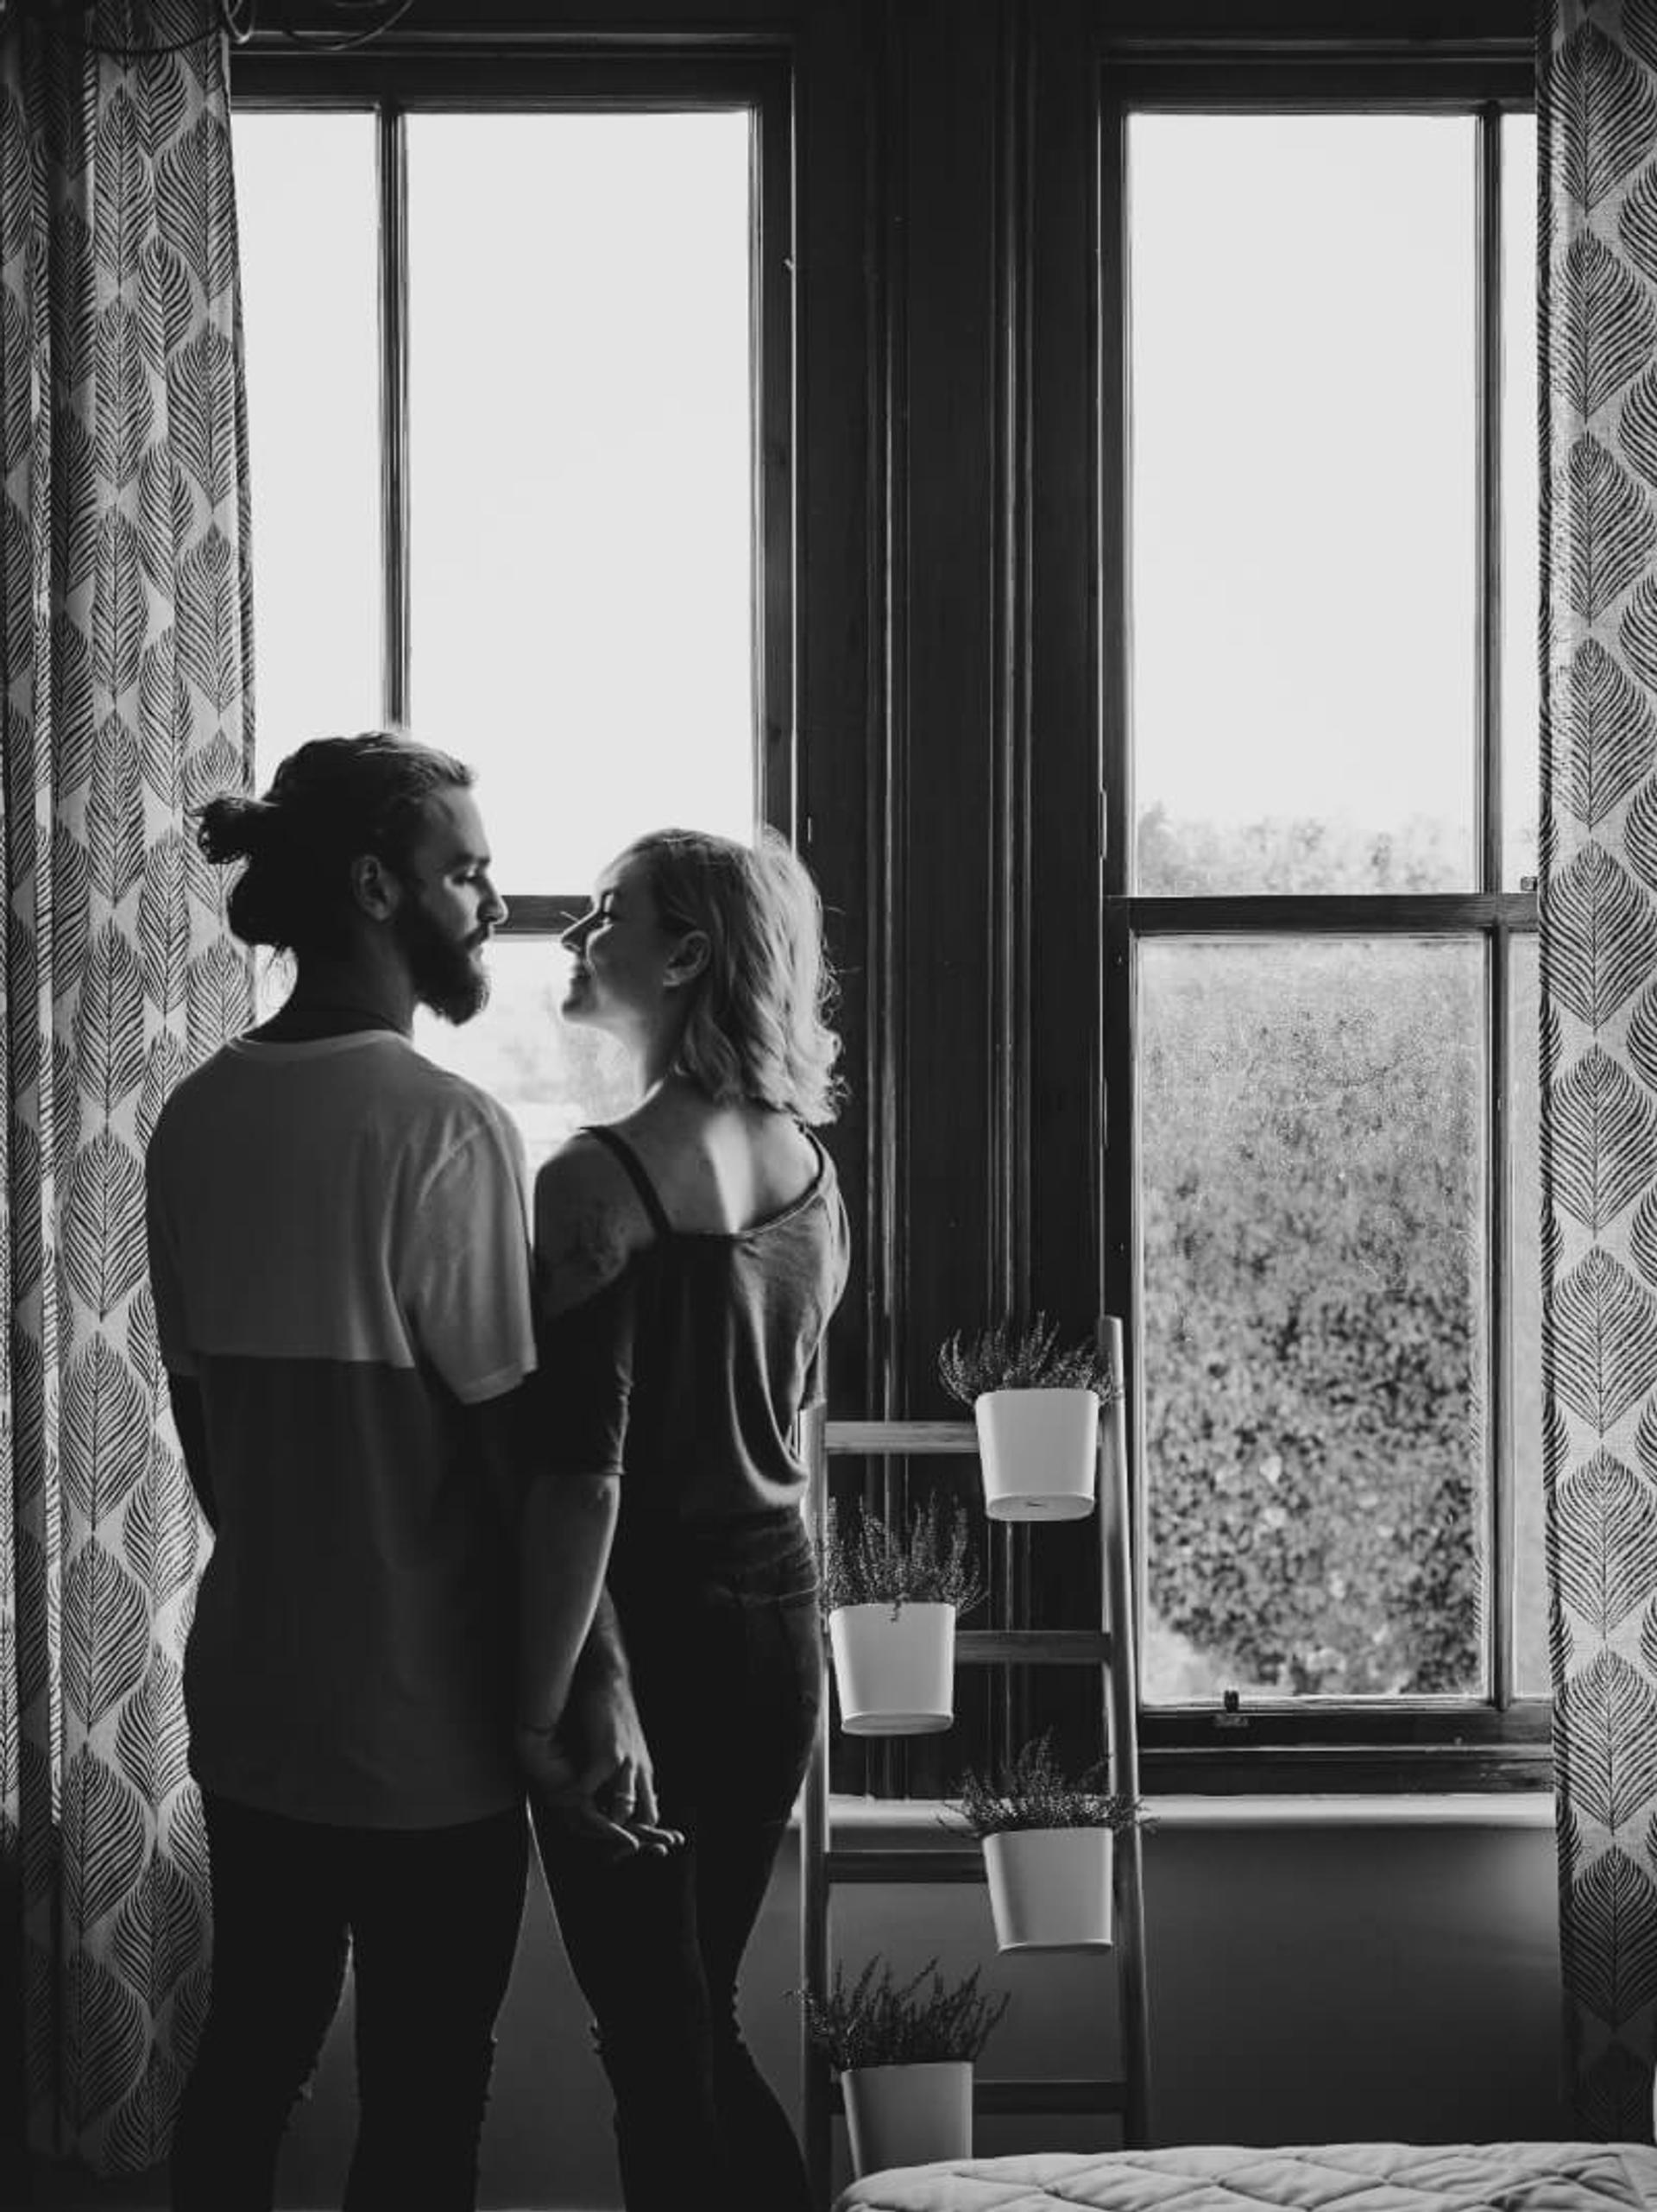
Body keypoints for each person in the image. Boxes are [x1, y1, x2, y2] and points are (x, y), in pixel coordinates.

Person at [145, 732, 662, 2212]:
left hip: (256, 1701)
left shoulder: (194, 1116)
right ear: (376, 886)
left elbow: (207, 1444)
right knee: (426, 2104)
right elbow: (522, 1463)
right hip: (427, 1724)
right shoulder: (446, 1126)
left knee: (249, 2062)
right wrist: (592, 1682)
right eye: (466, 872)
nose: (493, 903)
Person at [520, 824, 849, 2212]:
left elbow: (580, 1478)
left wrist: (544, 1705)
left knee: (658, 2046)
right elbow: (791, 1417)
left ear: (688, 955)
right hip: (779, 1628)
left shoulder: (597, 1181)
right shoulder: (812, 1174)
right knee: (690, 2020)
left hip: (649, 1633)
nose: (574, 934)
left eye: (608, 912)